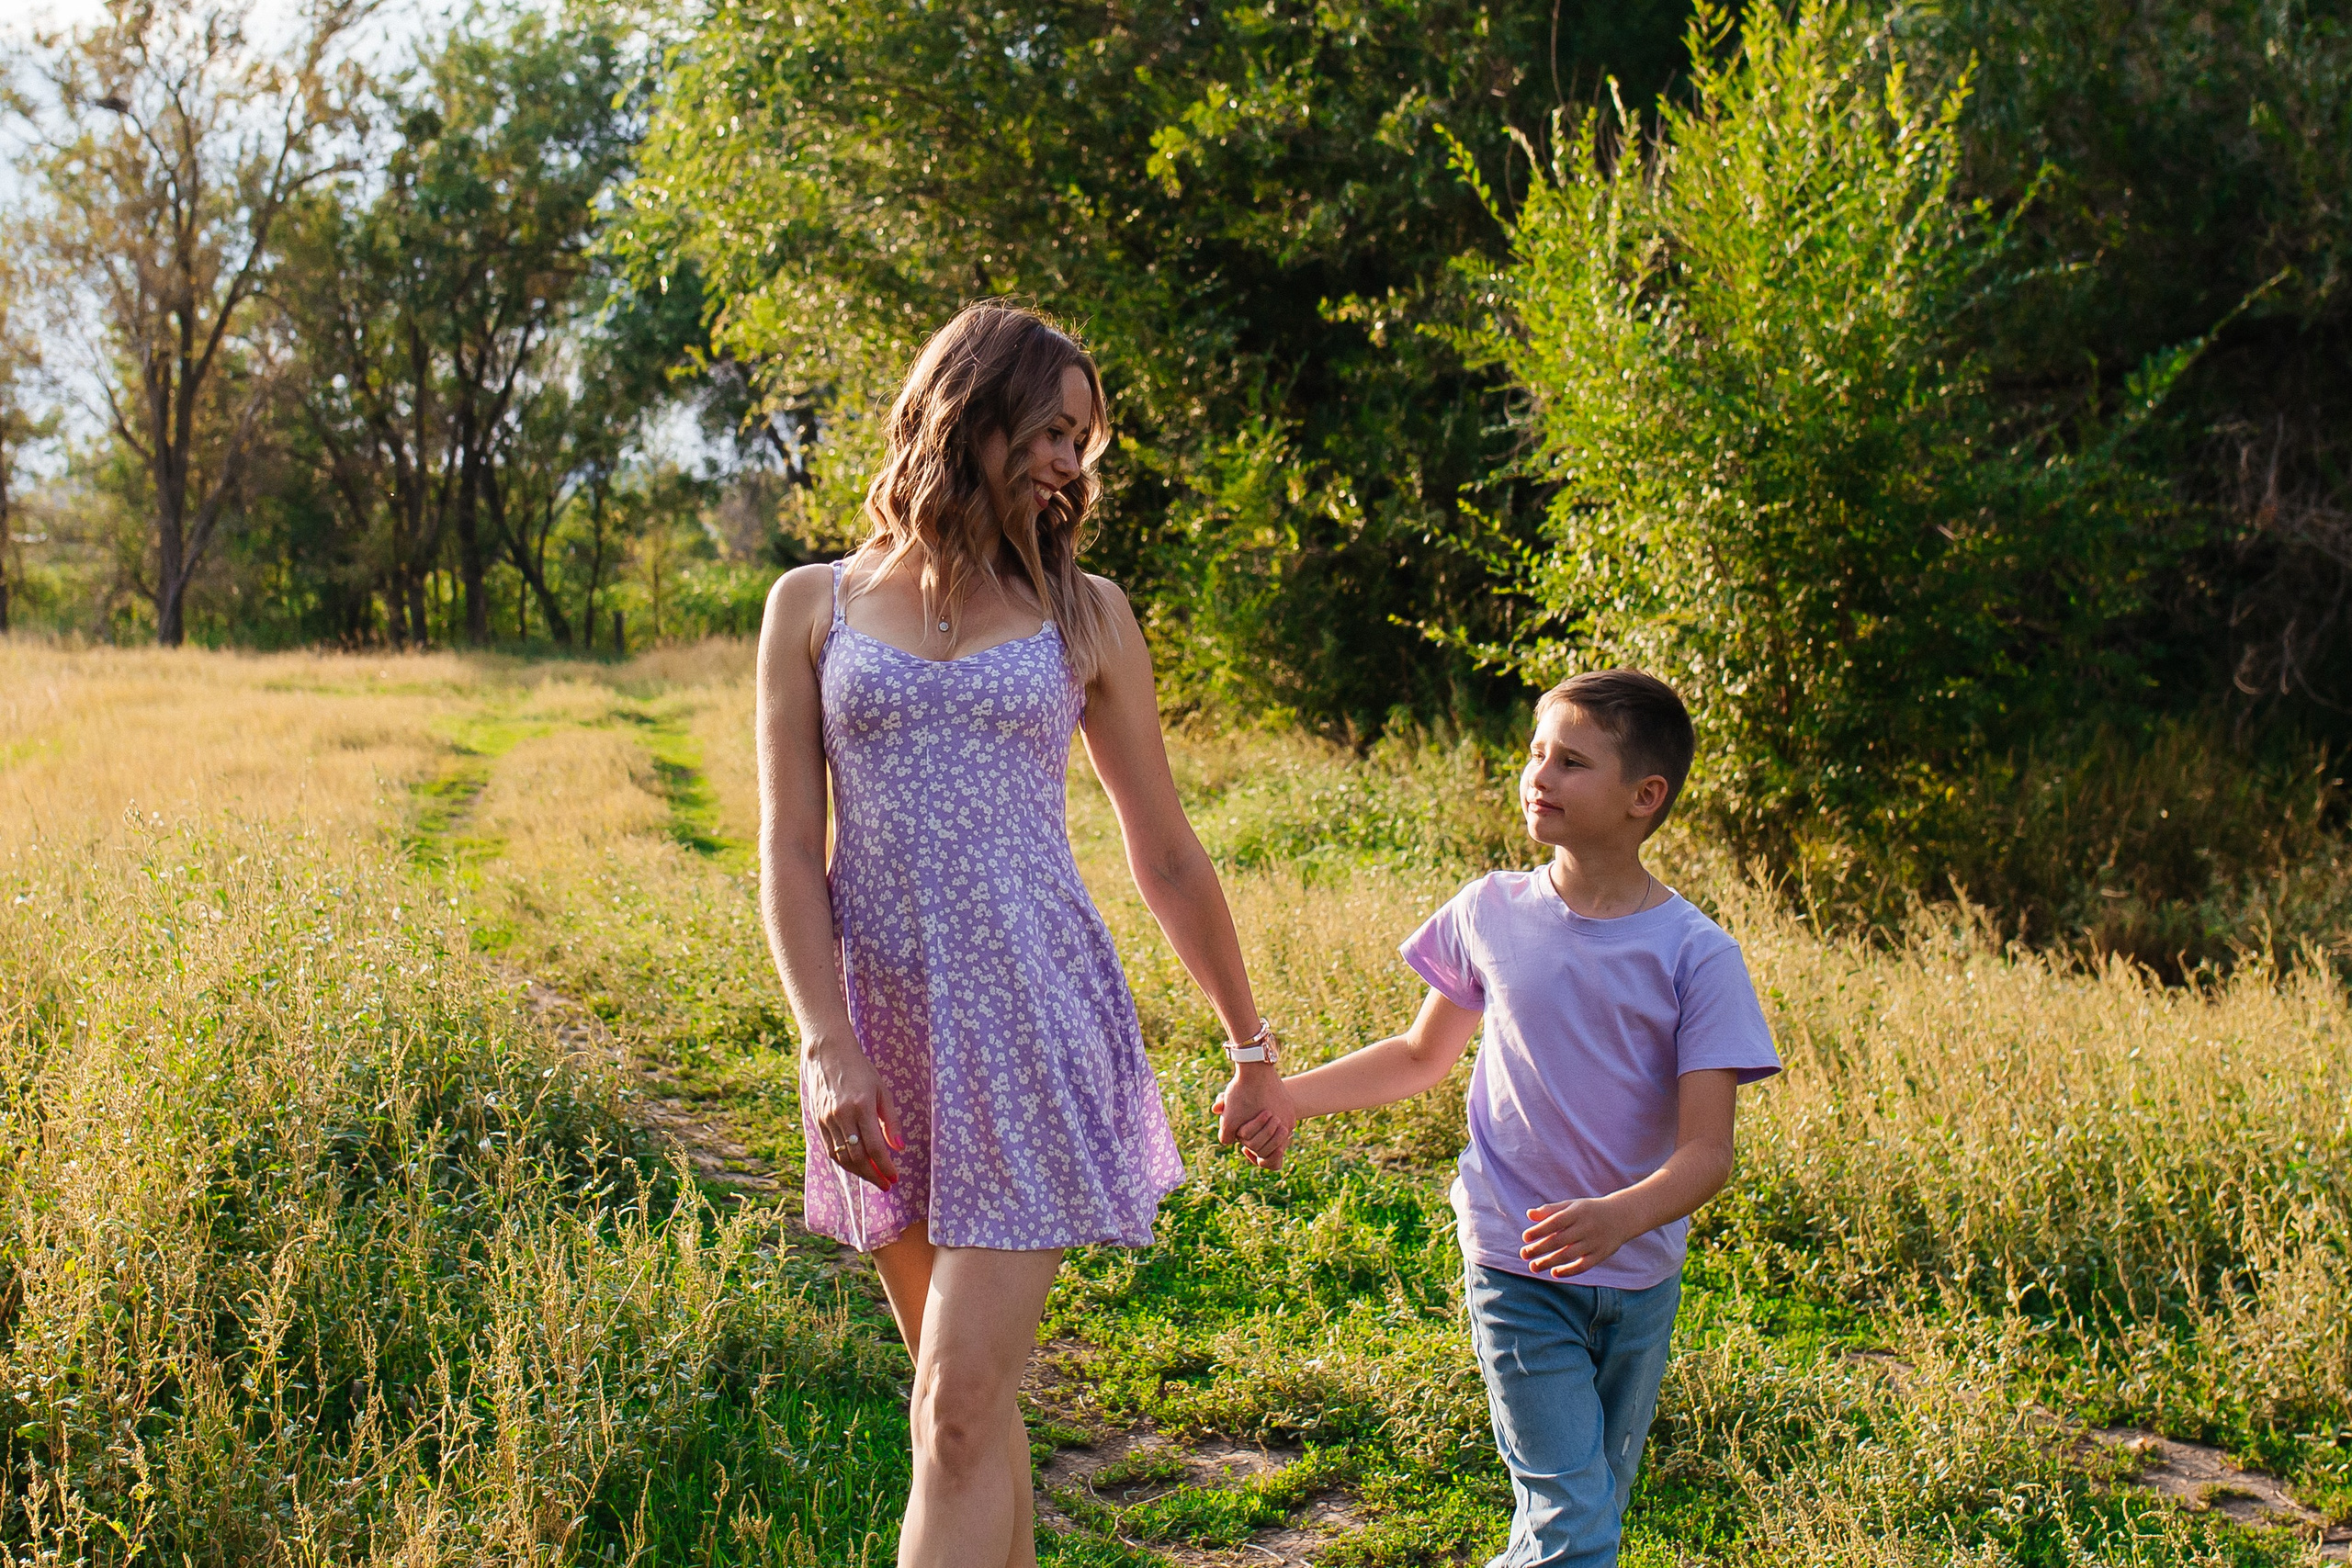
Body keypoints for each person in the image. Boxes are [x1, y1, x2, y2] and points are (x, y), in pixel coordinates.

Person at [753, 301, 1298, 1568]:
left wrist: (1249, 1040)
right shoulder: (810, 606)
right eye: (1053, 431)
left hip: (1033, 1023)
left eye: (1084, 441)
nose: (1072, 463)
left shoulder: (1087, 613)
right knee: (969, 1414)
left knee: (951, 1408)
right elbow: (787, 849)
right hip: (879, 1036)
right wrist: (825, 1042)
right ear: (969, 411)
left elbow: (1162, 846)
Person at [1230, 670, 1780, 1567]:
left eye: (1570, 762)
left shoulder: (1697, 956)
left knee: (1579, 1508)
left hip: (1638, 1278)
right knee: (1575, 1525)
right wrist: (1290, 1096)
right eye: (1535, 753)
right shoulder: (1490, 910)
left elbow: (1707, 1152)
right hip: (1513, 1256)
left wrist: (1619, 1217)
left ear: (1646, 797)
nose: (1538, 776)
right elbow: (1420, 1057)